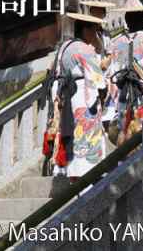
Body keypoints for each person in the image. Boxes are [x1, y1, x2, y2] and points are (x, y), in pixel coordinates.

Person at [46, 12, 107, 180]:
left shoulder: (65, 47)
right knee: (87, 144)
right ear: (86, 30)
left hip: (67, 98)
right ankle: (87, 184)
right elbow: (99, 81)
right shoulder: (84, 49)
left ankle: (72, 177)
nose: (95, 35)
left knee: (72, 141)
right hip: (83, 96)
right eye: (94, 30)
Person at [105, 0, 143, 146]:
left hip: (123, 100)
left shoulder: (116, 43)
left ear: (126, 19)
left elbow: (111, 74)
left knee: (125, 139)